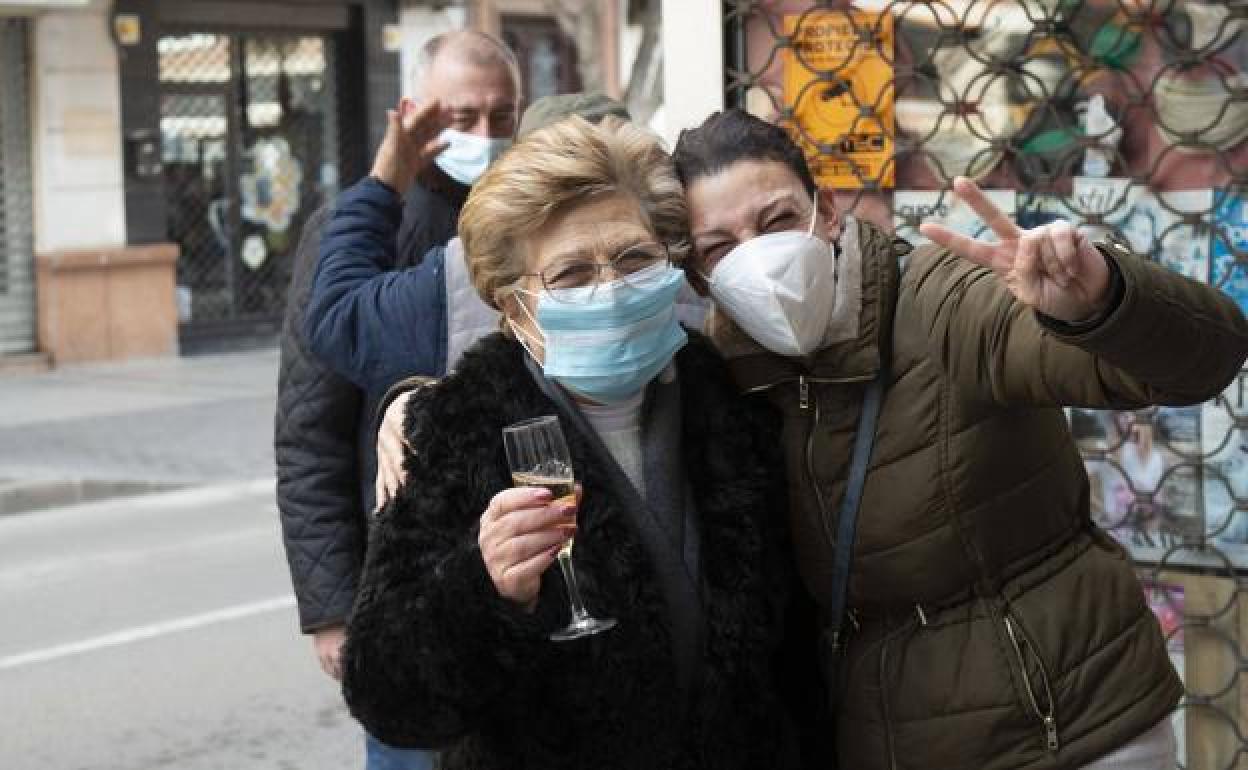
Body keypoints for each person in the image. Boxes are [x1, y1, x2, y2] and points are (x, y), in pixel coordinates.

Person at [668, 108, 1248, 769]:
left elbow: (1205, 358)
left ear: (825, 212)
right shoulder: (725, 382)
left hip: (1067, 725)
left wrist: (1099, 304)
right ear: (698, 277)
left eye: (775, 221)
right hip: (892, 740)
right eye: (720, 246)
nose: (759, 257)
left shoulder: (939, 300)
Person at [335, 114, 802, 769]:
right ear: (514, 305)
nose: (611, 288)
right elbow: (387, 694)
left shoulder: (728, 399)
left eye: (635, 258)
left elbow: (792, 651)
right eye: (572, 274)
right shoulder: (454, 432)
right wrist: (480, 587)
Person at [272, 29, 520, 770]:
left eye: (500, 117)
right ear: (413, 114)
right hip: (404, 591)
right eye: (462, 117)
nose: (483, 135)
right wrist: (332, 609)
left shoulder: (529, 220)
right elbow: (309, 432)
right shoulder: (354, 234)